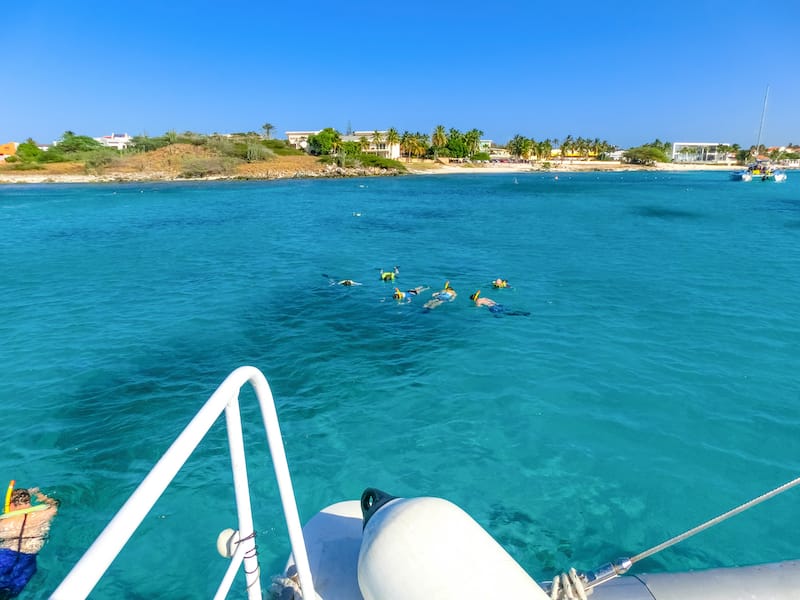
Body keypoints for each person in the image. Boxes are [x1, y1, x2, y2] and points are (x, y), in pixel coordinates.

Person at [0, 483, 58, 599]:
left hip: (5, 556)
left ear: (11, 504)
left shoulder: (4, 522)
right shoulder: (44, 514)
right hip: (29, 560)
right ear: (28, 501)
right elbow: (55, 504)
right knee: (9, 594)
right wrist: (38, 493)